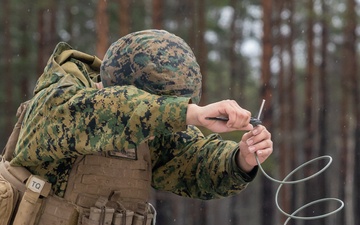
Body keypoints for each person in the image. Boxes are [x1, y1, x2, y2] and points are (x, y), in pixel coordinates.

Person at [2, 29, 272, 225]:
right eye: (162, 108)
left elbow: (189, 160)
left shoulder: (146, 123)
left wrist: (240, 159)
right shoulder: (57, 104)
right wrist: (185, 112)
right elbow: (99, 114)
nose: (160, 126)